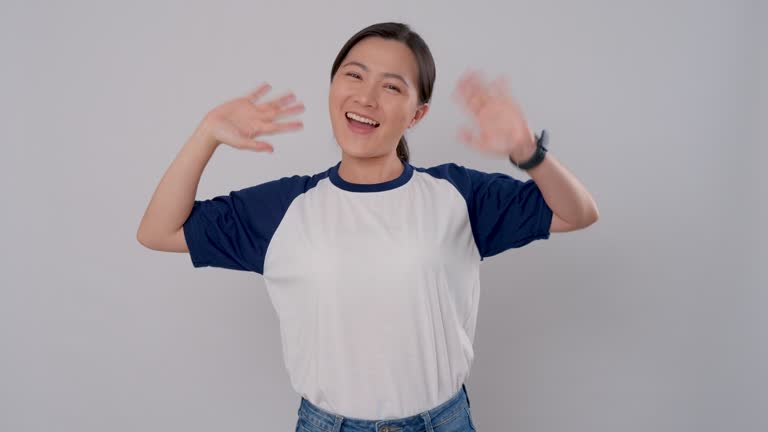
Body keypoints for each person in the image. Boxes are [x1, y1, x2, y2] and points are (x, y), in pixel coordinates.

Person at [137, 21, 598, 432]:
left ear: (418, 114)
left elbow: (577, 212)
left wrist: (526, 152)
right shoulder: (284, 208)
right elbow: (158, 232)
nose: (366, 97)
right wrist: (207, 134)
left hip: (444, 422)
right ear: (333, 87)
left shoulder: (457, 194)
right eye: (354, 75)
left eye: (392, 87)